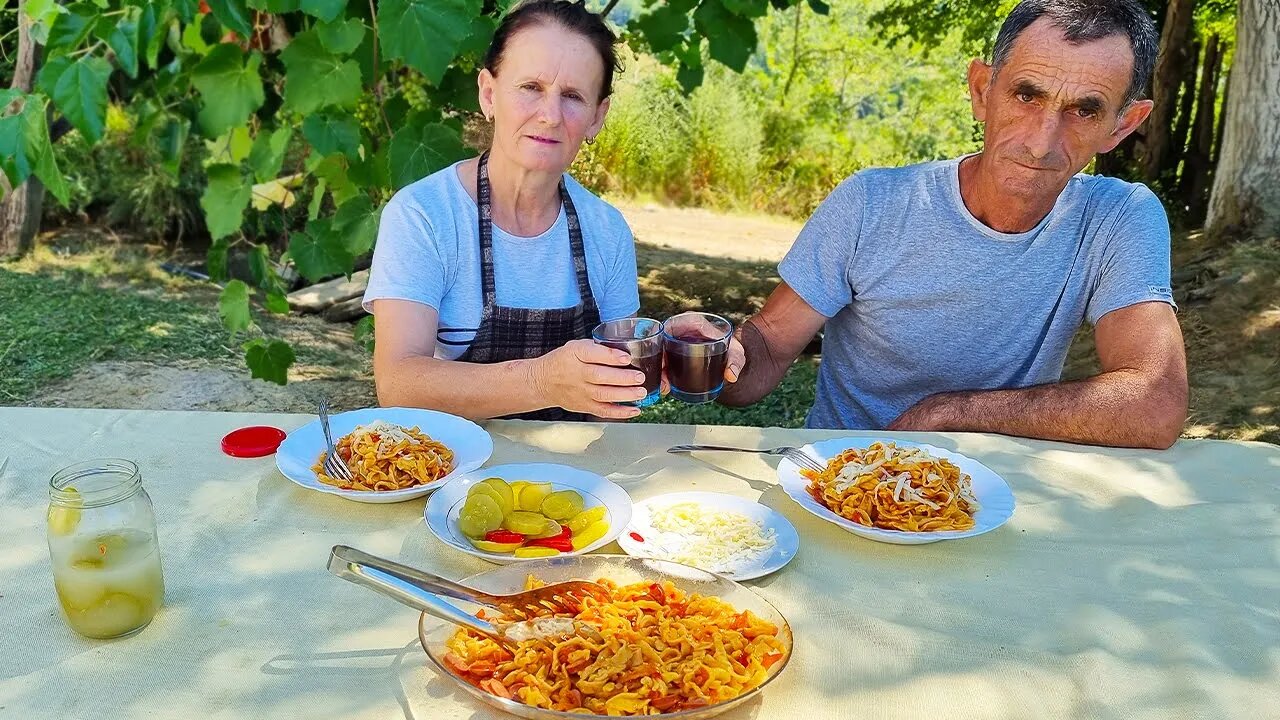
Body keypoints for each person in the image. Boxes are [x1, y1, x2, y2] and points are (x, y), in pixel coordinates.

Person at [718, 0, 1188, 449]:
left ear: (1123, 125)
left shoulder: (1120, 216)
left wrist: (949, 413)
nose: (1041, 143)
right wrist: (715, 356)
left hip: (993, 492)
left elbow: (1155, 404)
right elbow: (769, 345)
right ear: (982, 91)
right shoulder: (871, 203)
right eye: (1027, 95)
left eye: (1084, 110)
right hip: (835, 478)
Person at [363, 0, 651, 422]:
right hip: (453, 472)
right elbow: (398, 383)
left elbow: (619, 388)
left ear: (597, 117)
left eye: (572, 96)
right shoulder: (423, 214)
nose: (550, 116)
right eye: (531, 87)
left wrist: (669, 348)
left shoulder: (607, 230)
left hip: (574, 475)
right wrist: (542, 381)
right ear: (489, 93)